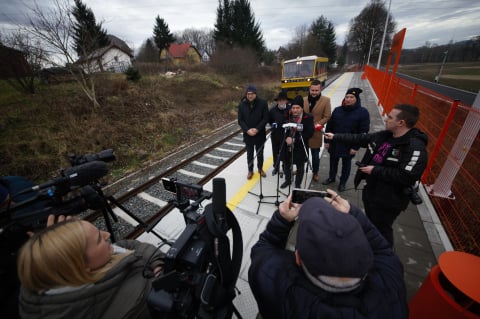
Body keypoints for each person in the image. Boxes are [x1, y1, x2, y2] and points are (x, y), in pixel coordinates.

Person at [248, 192, 408, 319]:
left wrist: (281, 221)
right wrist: (354, 214)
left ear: (297, 257)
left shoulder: (278, 286)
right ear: (366, 256)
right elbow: (384, 252)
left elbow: (262, 249)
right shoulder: (391, 283)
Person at [16, 215, 165, 319]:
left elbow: (127, 245)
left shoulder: (50, 273)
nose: (107, 234)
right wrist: (161, 269)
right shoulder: (136, 300)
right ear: (80, 267)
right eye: (99, 239)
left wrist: (55, 243)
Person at [324, 103, 428, 246]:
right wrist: (335, 136)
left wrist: (375, 170)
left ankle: (383, 256)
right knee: (371, 223)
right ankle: (367, 244)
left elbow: (407, 176)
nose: (386, 119)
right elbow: (360, 139)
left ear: (401, 123)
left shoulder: (415, 147)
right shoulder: (385, 136)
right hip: (372, 191)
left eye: (390, 117)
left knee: (382, 229)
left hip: (389, 200)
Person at [323, 88, 370, 192]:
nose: (348, 99)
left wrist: (355, 147)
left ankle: (343, 182)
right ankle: (332, 177)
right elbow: (329, 126)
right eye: (347, 97)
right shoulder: (337, 110)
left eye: (351, 97)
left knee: (346, 164)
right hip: (335, 143)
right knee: (333, 162)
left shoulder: (363, 113)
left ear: (356, 99)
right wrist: (326, 141)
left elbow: (363, 132)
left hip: (349, 145)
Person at [280, 95, 314, 189]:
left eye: (297, 108)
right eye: (293, 108)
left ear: (302, 108)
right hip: (287, 146)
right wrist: (286, 137)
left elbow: (309, 133)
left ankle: (298, 183)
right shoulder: (287, 115)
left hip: (300, 146)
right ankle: (288, 180)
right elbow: (282, 128)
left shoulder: (308, 117)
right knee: (286, 164)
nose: (295, 110)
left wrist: (295, 139)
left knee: (300, 166)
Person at [237, 84, 269, 179]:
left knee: (260, 153)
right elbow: (240, 120)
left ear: (255, 94)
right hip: (248, 135)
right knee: (249, 154)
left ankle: (260, 169)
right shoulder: (242, 104)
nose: (250, 95)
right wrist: (247, 130)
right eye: (248, 94)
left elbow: (265, 118)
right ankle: (250, 170)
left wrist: (257, 129)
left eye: (251, 93)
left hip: (259, 134)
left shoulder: (263, 103)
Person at [303, 79, 331, 182]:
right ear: (309, 89)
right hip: (304, 132)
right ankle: (301, 169)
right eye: (312, 90)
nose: (314, 92)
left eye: (316, 90)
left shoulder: (326, 100)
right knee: (302, 153)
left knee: (315, 155)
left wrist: (318, 124)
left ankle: (315, 172)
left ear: (320, 89)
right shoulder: (304, 100)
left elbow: (327, 116)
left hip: (316, 132)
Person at [268, 91, 290, 176]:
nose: (281, 102)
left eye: (283, 100)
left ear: (286, 101)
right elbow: (269, 120)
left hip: (286, 135)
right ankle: (276, 167)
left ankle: (285, 167)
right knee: (275, 151)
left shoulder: (290, 109)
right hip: (275, 135)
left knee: (285, 152)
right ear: (277, 101)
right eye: (280, 100)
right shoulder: (272, 110)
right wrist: (273, 124)